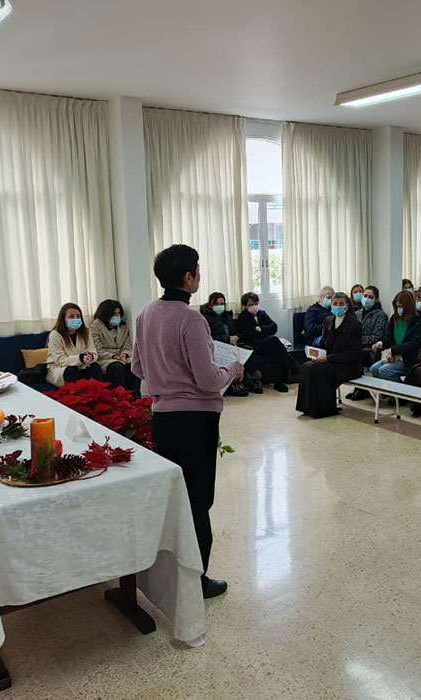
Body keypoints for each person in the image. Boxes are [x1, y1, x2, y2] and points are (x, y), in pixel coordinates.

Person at [132, 244, 244, 599]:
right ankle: (196, 580)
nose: (199, 274)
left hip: (163, 418)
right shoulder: (191, 320)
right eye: (197, 269)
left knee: (176, 497)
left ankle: (167, 571)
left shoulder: (146, 313)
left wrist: (166, 374)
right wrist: (233, 369)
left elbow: (137, 367)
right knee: (197, 501)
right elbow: (208, 380)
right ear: (187, 277)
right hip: (195, 420)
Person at [296, 292, 364, 418]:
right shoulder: (328, 320)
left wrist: (328, 358)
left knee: (318, 370)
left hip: (348, 365)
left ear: (347, 305)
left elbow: (354, 353)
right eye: (335, 303)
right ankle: (307, 407)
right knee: (307, 366)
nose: (338, 306)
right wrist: (316, 353)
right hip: (330, 360)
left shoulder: (354, 324)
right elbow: (324, 343)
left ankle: (323, 409)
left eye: (341, 304)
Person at [235, 292, 293, 393]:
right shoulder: (242, 317)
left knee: (275, 349)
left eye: (256, 303)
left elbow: (274, 327)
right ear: (245, 306)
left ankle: (279, 382)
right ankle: (291, 364)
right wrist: (264, 331)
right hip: (254, 345)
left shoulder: (262, 313)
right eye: (250, 304)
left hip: (267, 343)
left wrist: (260, 329)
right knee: (274, 340)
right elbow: (251, 335)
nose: (254, 306)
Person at [369, 291, 421, 382]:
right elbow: (389, 339)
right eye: (397, 307)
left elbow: (413, 344)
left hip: (409, 359)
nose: (398, 309)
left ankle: (401, 389)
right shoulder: (394, 319)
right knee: (374, 369)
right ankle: (385, 389)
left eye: (401, 307)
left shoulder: (418, 321)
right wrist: (380, 344)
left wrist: (393, 350)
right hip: (395, 356)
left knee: (385, 370)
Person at [345, 285, 389, 400]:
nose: (367, 299)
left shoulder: (380, 315)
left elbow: (377, 337)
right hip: (357, 347)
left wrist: (358, 341)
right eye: (365, 296)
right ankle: (357, 387)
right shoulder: (357, 313)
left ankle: (362, 389)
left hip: (371, 349)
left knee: (357, 356)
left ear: (376, 299)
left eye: (370, 297)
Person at [200, 292, 248, 397]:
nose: (220, 306)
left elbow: (237, 331)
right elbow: (209, 338)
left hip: (232, 344)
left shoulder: (227, 316)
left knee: (247, 350)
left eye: (222, 304)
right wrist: (227, 339)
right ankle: (231, 385)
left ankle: (247, 380)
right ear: (210, 305)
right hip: (218, 346)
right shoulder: (205, 318)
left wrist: (237, 336)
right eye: (217, 304)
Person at [47, 303, 103, 387]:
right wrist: (80, 358)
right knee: (72, 371)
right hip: (61, 368)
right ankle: (78, 394)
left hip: (82, 365)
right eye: (71, 316)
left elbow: (93, 352)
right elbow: (60, 360)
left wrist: (91, 357)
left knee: (95, 367)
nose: (75, 319)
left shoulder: (86, 332)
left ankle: (95, 392)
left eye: (78, 316)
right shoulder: (55, 334)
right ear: (63, 319)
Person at [92, 299, 139, 392]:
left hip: (121, 358)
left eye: (118, 314)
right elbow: (97, 350)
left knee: (134, 365)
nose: (117, 316)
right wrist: (114, 356)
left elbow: (127, 346)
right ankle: (121, 396)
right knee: (117, 367)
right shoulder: (95, 326)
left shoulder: (123, 327)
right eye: (114, 314)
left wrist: (124, 355)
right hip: (105, 359)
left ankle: (136, 396)